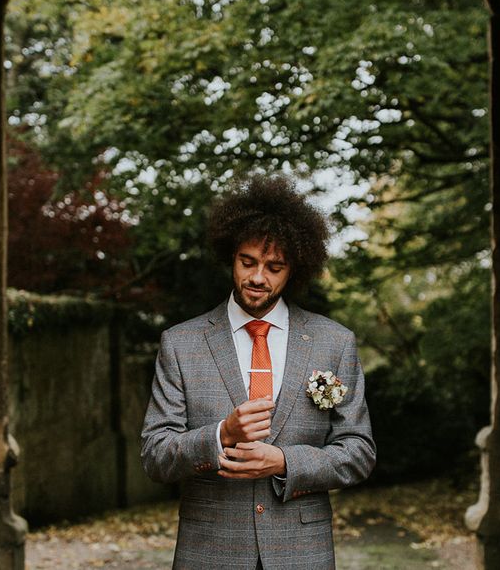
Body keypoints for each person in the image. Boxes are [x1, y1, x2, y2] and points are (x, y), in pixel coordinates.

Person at [141, 175, 375, 570]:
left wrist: (285, 462)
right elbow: (155, 455)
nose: (257, 278)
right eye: (247, 262)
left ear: (294, 269)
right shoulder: (180, 344)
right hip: (209, 552)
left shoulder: (334, 342)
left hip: (303, 553)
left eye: (274, 266)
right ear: (230, 255)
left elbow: (358, 452)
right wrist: (221, 435)